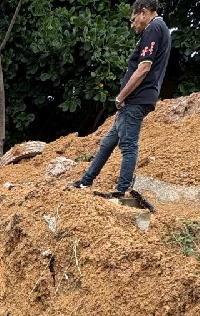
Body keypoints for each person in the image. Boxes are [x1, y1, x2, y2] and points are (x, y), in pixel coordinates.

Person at [68, 0, 171, 198]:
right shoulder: (161, 28)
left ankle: (121, 190)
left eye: (133, 20)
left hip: (136, 98)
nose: (133, 25)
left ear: (143, 13)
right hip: (140, 98)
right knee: (108, 143)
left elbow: (143, 68)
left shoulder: (153, 28)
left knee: (128, 144)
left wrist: (120, 96)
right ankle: (86, 181)